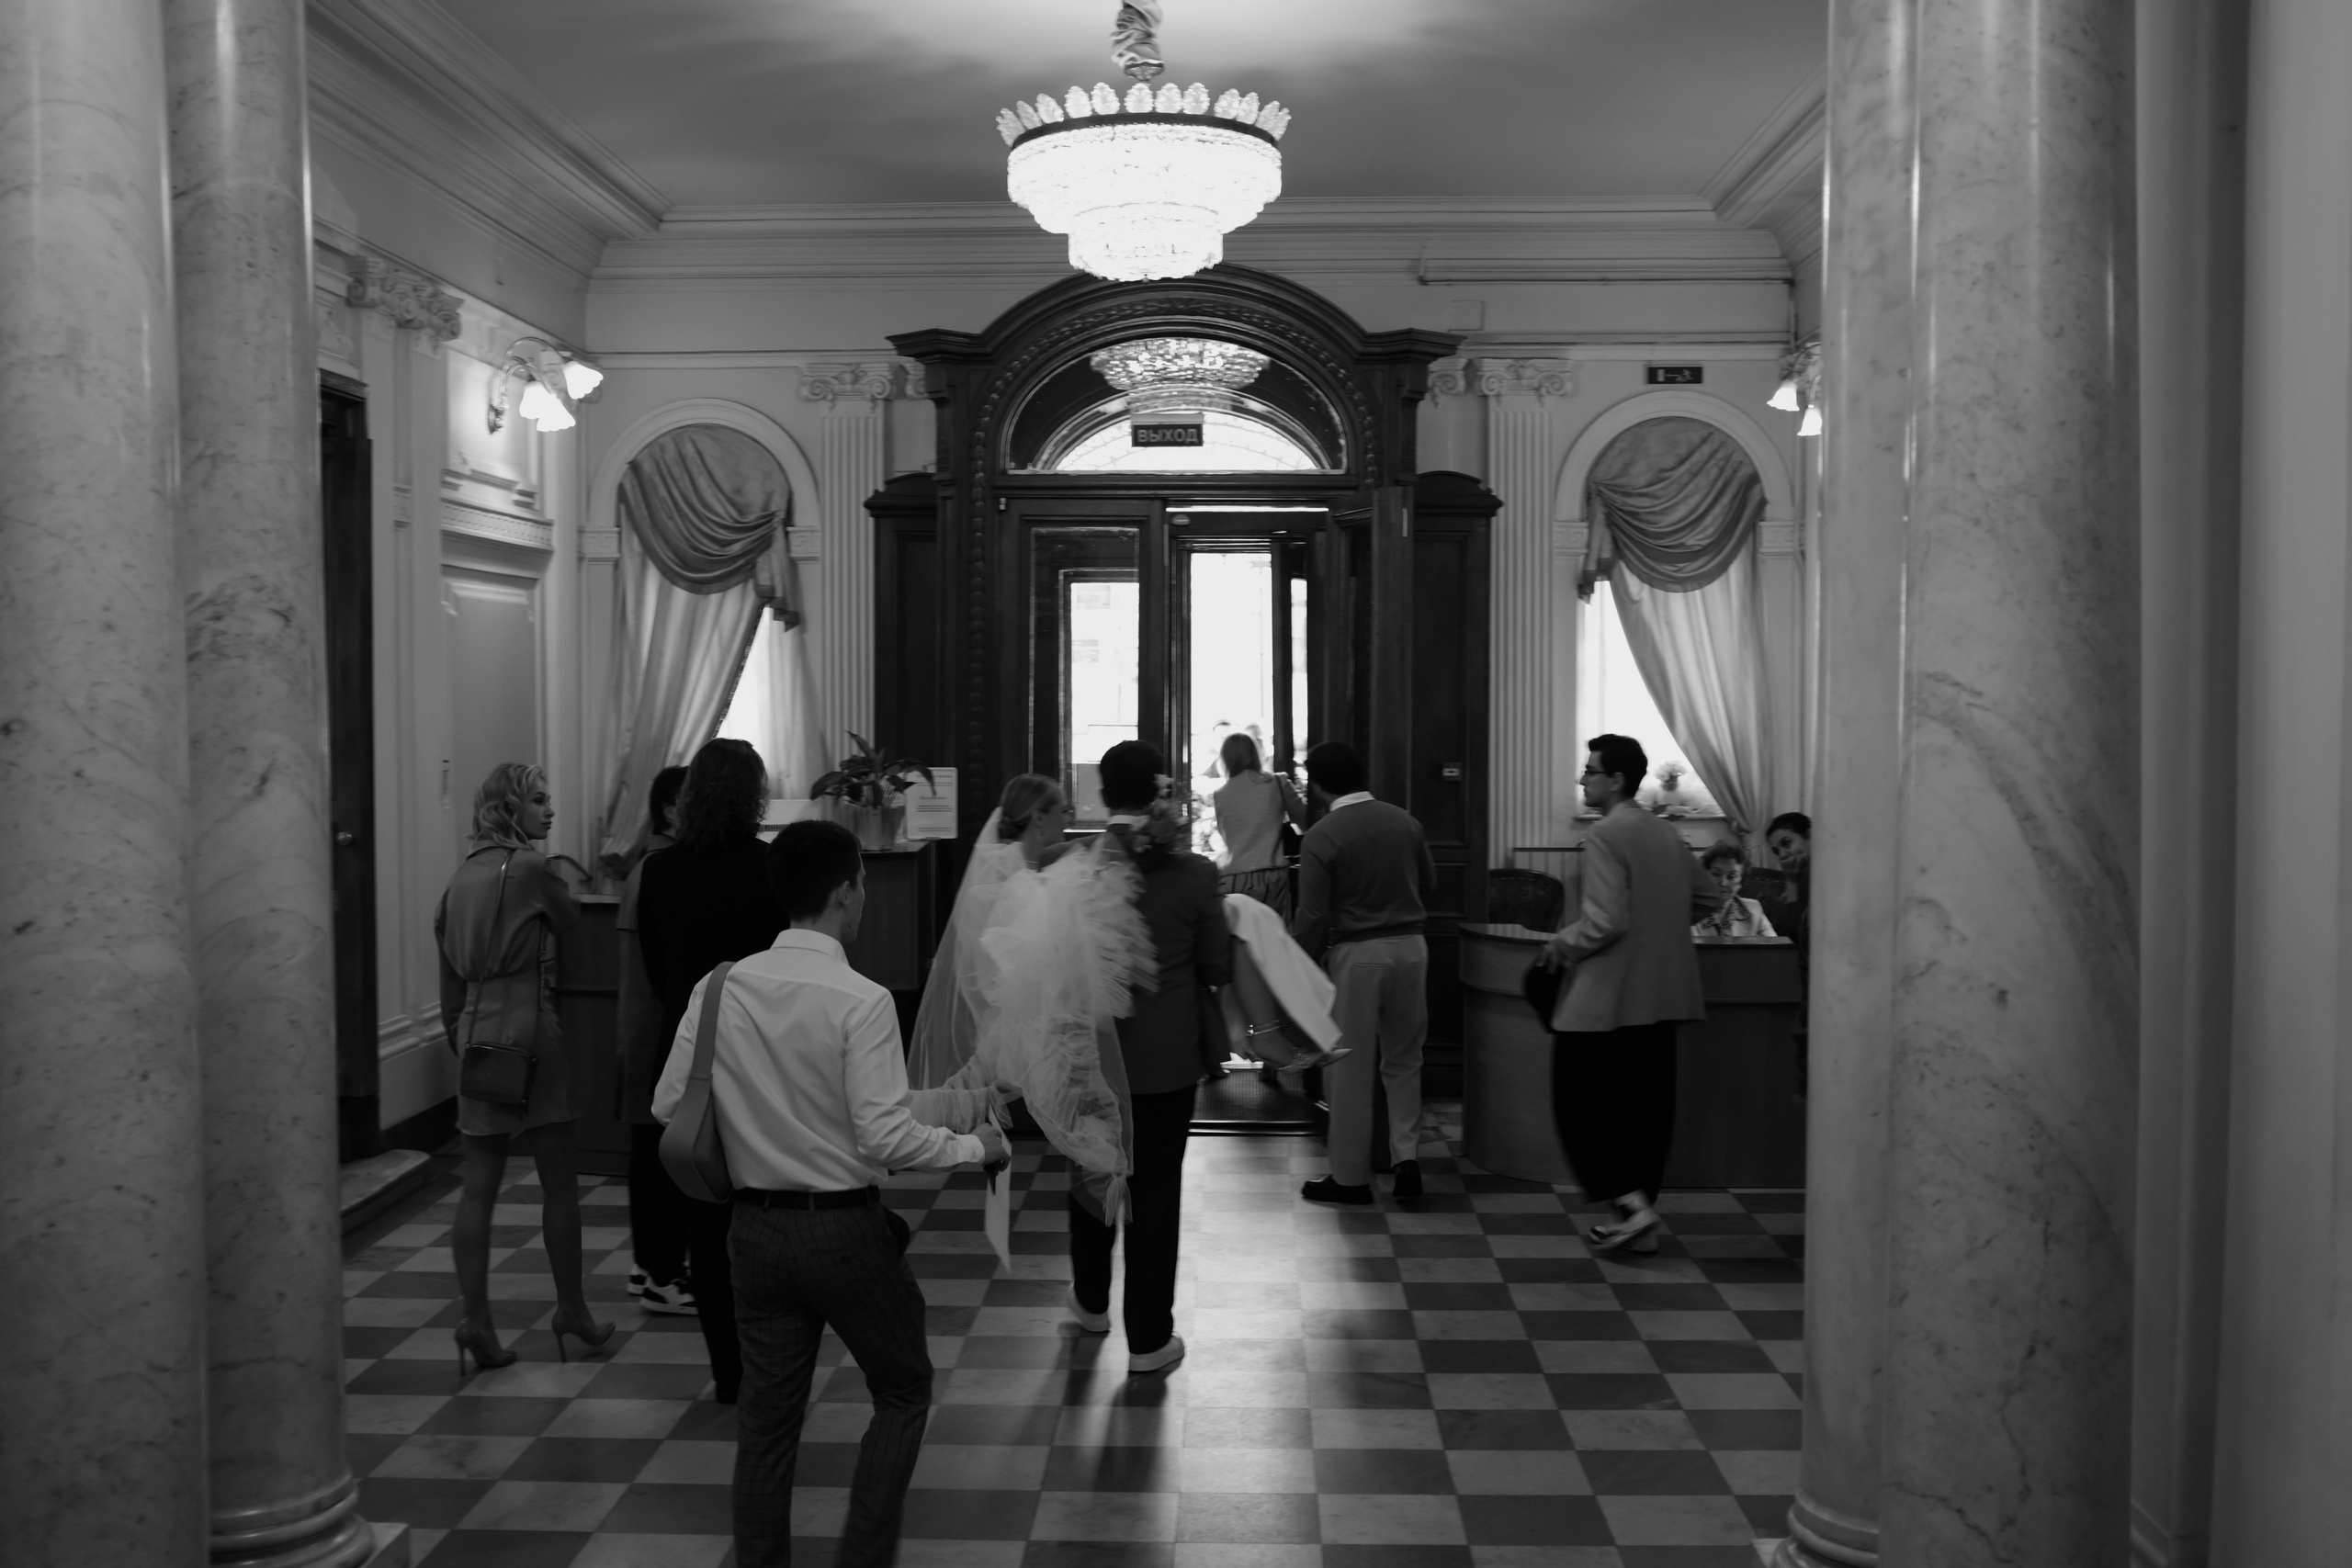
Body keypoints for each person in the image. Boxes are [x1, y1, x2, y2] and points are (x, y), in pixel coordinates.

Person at [653, 820, 1006, 1568]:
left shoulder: (719, 986)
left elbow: (666, 1106)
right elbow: (882, 1139)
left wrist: (761, 1120)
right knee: (904, 1389)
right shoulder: (862, 998)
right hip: (842, 1233)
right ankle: (864, 1558)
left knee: (766, 1424)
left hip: (752, 1234)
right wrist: (976, 1146)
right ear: (848, 891)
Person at [435, 762, 611, 1373]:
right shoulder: (533, 870)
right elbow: (570, 920)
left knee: (477, 1185)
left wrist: (462, 1039)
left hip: (477, 1031)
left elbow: (449, 986)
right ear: (510, 808)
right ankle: (571, 1309)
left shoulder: (457, 881)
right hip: (530, 1025)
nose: (550, 810)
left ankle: (475, 1319)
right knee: (558, 1179)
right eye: (539, 800)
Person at [1067, 739, 1232, 1374]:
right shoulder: (1193, 874)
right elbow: (1216, 965)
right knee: (1156, 1190)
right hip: (1165, 1060)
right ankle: (1148, 1339)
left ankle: (1089, 1303)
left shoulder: (1076, 867)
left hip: (1091, 1055)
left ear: (1102, 792)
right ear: (1159, 792)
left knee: (1090, 1177)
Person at [637, 739, 786, 1403]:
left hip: (690, 1053)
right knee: (769, 1206)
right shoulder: (769, 867)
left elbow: (656, 970)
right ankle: (774, 1359)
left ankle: (727, 1370)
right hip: (763, 1053)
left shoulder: (659, 872)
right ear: (753, 796)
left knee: (705, 1213)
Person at [1541, 734, 1726, 1252]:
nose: (1583, 779)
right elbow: (1709, 895)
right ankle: (1639, 1220)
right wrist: (1660, 927)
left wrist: (1562, 942)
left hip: (1605, 1000)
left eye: (1590, 771)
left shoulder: (1606, 834)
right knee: (1645, 1113)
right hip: (1664, 996)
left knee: (1577, 1103)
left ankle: (1630, 1208)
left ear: (1616, 779)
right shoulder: (1666, 834)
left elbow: (1603, 922)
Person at [1290, 740, 1439, 1204]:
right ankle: (1406, 1161)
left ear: (1317, 785)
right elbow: (1429, 884)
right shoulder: (1405, 820)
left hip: (1358, 953)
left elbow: (1313, 916)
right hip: (1413, 949)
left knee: (1349, 1068)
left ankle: (1350, 1178)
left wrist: (1297, 966)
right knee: (1404, 1060)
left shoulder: (1323, 834)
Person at [617, 763, 694, 1314]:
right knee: (661, 1160)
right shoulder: (661, 868)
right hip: (654, 1033)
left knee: (649, 1158)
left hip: (639, 1034)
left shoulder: (647, 865)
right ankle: (661, 1273)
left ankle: (648, 1266)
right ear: (672, 809)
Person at [1212, 731, 1306, 916]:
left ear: (1225, 759)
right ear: (1255, 753)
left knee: (1243, 937)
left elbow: (1227, 837)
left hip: (1233, 877)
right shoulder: (1277, 782)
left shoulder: (1220, 793)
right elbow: (1305, 821)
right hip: (1271, 876)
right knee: (1274, 936)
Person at [1691, 842, 1778, 939]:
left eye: (1731, 876)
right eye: (1716, 874)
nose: (1723, 882)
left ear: (1741, 882)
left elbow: (1774, 947)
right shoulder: (1690, 910)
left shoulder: (1753, 909)